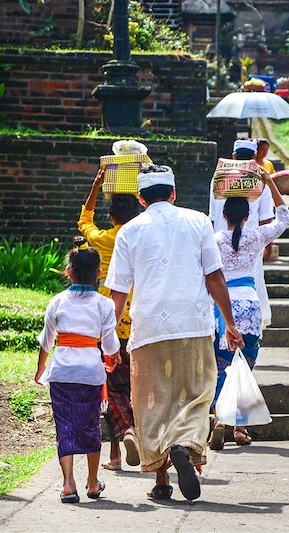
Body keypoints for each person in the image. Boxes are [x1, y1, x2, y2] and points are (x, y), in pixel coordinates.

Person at [106, 165, 245, 502]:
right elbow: (214, 278)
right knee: (196, 394)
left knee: (152, 403)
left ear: (141, 199)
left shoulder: (129, 231)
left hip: (149, 329)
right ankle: (186, 444)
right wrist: (229, 323)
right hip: (193, 326)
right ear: (173, 193)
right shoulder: (199, 221)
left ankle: (162, 480)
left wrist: (107, 340)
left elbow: (118, 294)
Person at [35, 237, 121, 504]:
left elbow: (47, 341)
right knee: (90, 425)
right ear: (98, 273)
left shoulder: (57, 302)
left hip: (61, 372)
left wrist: (40, 369)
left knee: (65, 427)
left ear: (68, 272)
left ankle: (68, 484)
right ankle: (93, 483)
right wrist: (114, 357)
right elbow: (109, 345)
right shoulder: (104, 305)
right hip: (90, 374)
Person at [209, 172, 289, 450]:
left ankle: (219, 419)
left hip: (223, 307)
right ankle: (240, 428)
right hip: (250, 306)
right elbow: (284, 218)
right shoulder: (256, 236)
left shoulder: (215, 239)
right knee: (245, 366)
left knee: (221, 366)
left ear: (224, 215)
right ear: (246, 216)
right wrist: (270, 184)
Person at [78, 170, 142, 471]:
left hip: (108, 317)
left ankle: (116, 452)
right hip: (141, 316)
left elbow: (84, 223)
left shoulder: (103, 239)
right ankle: (139, 437)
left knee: (109, 386)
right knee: (136, 387)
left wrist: (94, 188)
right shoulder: (143, 236)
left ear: (113, 215)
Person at [209, 139, 275, 327]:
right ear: (254, 157)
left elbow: (213, 217)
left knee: (219, 284)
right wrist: (267, 245)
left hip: (220, 243)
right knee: (252, 284)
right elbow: (266, 220)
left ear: (234, 157)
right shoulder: (261, 179)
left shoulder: (218, 178)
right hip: (251, 245)